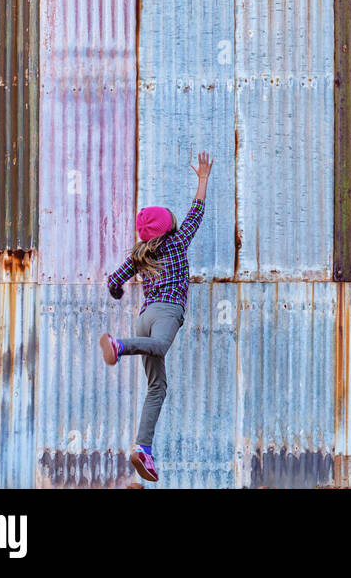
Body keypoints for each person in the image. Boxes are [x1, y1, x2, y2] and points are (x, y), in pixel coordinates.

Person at [99, 152, 213, 483]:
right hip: (164, 315)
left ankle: (143, 449)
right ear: (168, 227)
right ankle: (120, 346)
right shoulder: (178, 241)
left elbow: (112, 282)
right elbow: (197, 213)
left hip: (144, 317)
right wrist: (202, 179)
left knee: (157, 387)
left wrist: (120, 293)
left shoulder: (139, 255)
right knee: (160, 346)